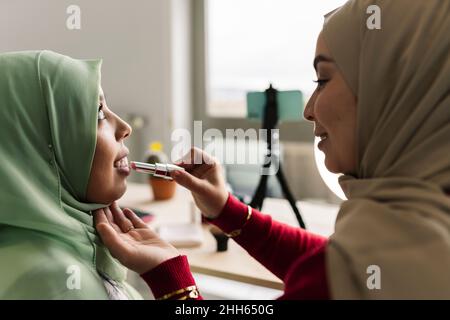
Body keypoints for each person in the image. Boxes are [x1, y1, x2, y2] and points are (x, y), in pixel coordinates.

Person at [95, 0, 450, 299]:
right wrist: (227, 210)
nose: (309, 110)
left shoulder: (367, 270)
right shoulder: (411, 236)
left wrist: (169, 276)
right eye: (98, 113)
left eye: (323, 80)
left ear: (393, 91)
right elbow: (327, 262)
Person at [0, 50, 142, 299]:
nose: (125, 127)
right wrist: (176, 283)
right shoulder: (60, 285)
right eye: (98, 114)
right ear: (36, 142)